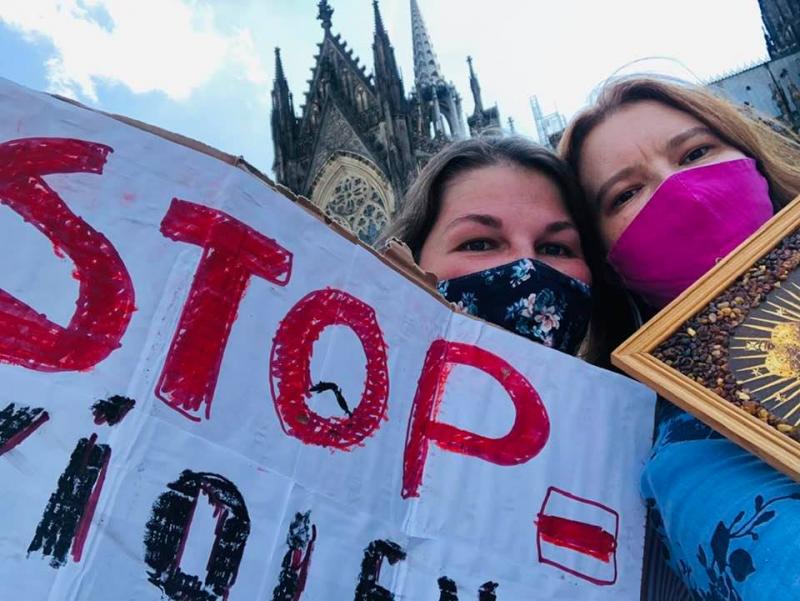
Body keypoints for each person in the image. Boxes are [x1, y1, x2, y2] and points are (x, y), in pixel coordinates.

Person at [560, 76, 800, 600]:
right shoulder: (693, 454)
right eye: (626, 194)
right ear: (608, 263)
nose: (677, 188)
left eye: (695, 153)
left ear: (752, 157)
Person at [380, 135, 629, 363]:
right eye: (479, 244)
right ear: (406, 262)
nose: (527, 269)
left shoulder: (639, 396)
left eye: (555, 248)